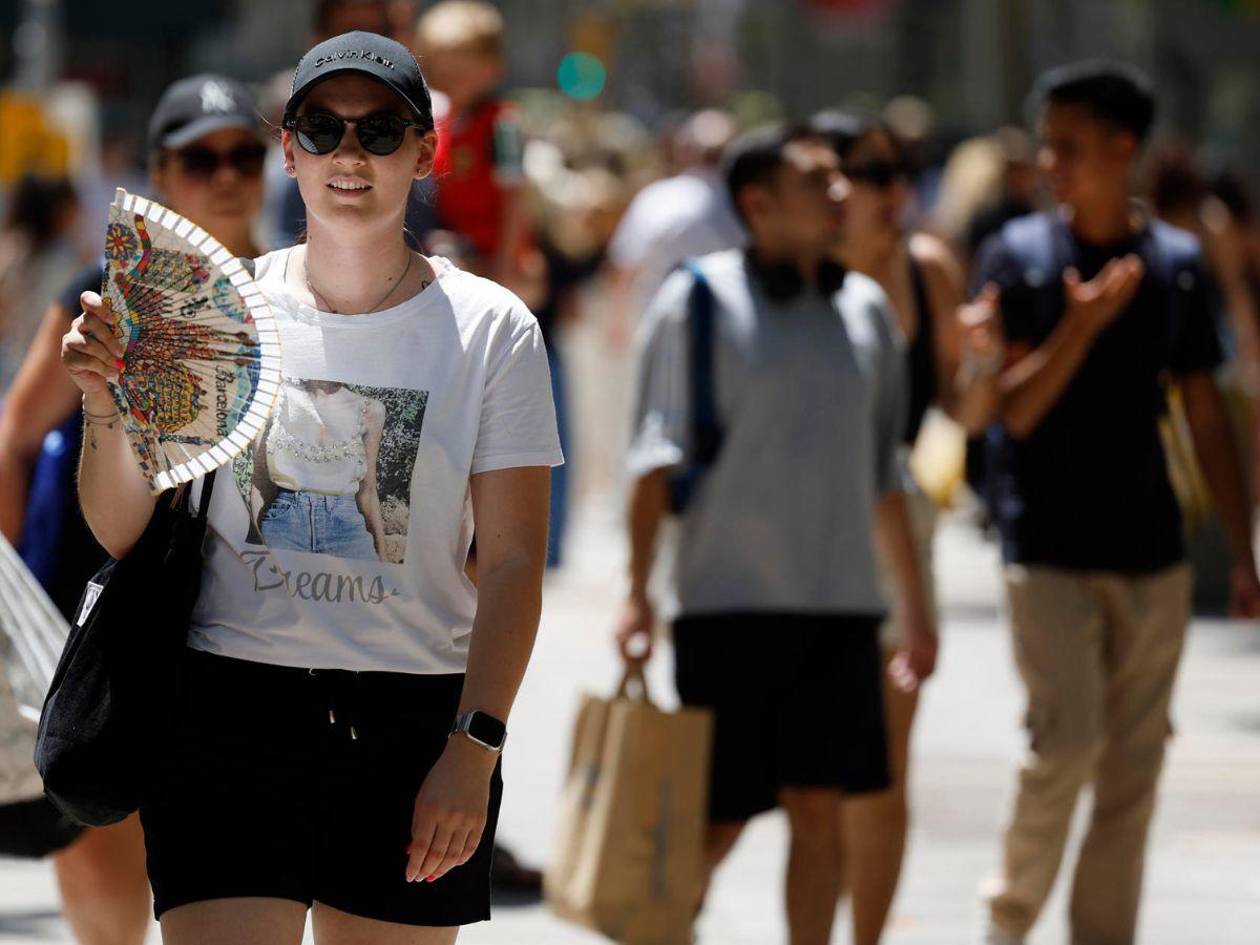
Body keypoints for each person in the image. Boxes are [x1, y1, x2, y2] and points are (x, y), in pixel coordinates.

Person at [62, 31, 560, 944]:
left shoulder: (495, 330)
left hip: (412, 721)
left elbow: (517, 558)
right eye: (322, 128)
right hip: (225, 710)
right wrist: (105, 405)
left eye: (380, 131)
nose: (349, 153)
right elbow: (124, 531)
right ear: (286, 150)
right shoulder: (224, 310)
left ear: (425, 149)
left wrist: (473, 745)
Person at [615, 124, 937, 945]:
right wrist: (635, 599)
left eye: (841, 180)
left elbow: (887, 475)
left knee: (820, 808)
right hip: (728, 606)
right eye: (816, 182)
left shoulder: (866, 310)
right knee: (716, 820)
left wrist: (917, 610)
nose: (840, 195)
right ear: (757, 203)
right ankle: (659, 930)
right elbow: (653, 463)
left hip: (841, 610)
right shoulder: (693, 302)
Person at [974, 62, 1260, 945]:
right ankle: (1008, 921)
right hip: (1046, 548)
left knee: (1132, 772)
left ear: (1123, 150)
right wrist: (1082, 327)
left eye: (1070, 146)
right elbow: (1008, 409)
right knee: (1064, 746)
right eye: (1046, 146)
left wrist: (1244, 554)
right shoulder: (1020, 257)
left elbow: (1207, 414)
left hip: (1152, 552)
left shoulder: (1175, 267)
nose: (1050, 163)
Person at [0, 72, 267, 945]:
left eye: (245, 155)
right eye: (202, 157)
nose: (226, 175)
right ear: (160, 170)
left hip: (238, 627)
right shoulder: (97, 289)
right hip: (100, 617)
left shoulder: (295, 290)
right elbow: (12, 436)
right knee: (108, 892)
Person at [811, 108, 1003, 945]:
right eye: (871, 174)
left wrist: (989, 359)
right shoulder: (792, 271)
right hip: (799, 529)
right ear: (827, 184)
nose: (893, 192)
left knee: (883, 763)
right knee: (797, 769)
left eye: (900, 174)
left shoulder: (929, 268)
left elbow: (963, 410)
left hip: (900, 531)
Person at [414, 0, 531, 290]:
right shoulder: (442, 121)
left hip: (494, 258)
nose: (451, 71)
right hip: (456, 249)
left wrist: (504, 268)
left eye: (464, 59)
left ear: (492, 66)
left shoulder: (504, 123)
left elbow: (515, 199)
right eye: (442, 61)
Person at [0, 174, 82, 392]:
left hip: (11, 369)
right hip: (46, 374)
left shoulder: (10, 250)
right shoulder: (66, 261)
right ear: (58, 210)